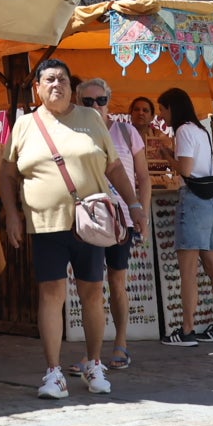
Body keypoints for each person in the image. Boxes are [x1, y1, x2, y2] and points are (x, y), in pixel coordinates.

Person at [0, 57, 138, 397]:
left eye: (61, 79)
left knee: (92, 292)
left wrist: (134, 204)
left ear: (70, 86)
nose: (56, 85)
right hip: (45, 224)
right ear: (37, 88)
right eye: (48, 79)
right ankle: (53, 372)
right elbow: (7, 173)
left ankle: (93, 363)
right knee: (51, 294)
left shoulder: (90, 118)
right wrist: (12, 214)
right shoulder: (24, 126)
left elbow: (116, 167)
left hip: (89, 222)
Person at [157, 87, 213, 344]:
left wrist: (169, 157)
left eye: (162, 109)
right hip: (211, 202)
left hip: (193, 203)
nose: (162, 115)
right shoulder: (200, 129)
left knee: (188, 270)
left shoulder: (182, 131)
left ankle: (187, 329)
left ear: (172, 108)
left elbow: (187, 170)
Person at [80, 77, 146, 366]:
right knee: (90, 286)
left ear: (109, 100)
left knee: (117, 281)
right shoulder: (78, 132)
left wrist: (140, 210)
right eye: (88, 101)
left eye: (101, 100)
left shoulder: (126, 132)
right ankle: (91, 352)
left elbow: (143, 177)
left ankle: (121, 342)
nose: (95, 105)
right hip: (90, 217)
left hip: (120, 217)